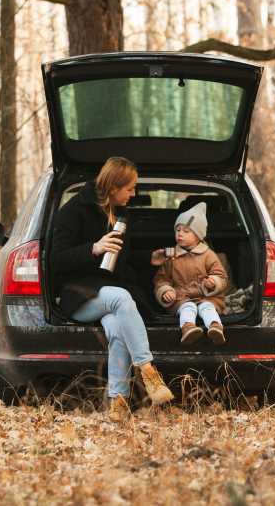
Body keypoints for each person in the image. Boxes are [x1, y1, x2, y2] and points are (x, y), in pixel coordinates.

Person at [49, 157, 173, 421]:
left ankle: (118, 403)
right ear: (113, 187)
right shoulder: (72, 212)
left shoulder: (121, 215)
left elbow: (120, 262)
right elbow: (55, 261)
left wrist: (147, 259)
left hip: (106, 290)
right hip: (78, 296)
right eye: (130, 188)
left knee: (117, 330)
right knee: (122, 298)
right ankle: (148, 370)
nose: (134, 193)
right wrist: (93, 248)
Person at [153, 202, 229, 345]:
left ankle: (215, 327)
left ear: (199, 236)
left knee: (207, 307)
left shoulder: (208, 254)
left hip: (206, 296)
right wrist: (165, 291)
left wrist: (213, 282)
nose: (180, 234)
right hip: (181, 297)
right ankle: (188, 329)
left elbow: (221, 276)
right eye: (178, 230)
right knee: (188, 308)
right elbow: (161, 279)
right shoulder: (171, 256)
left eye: (186, 231)